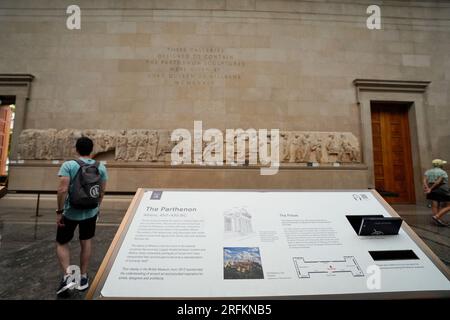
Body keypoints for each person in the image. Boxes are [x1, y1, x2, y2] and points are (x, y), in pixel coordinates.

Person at [55, 137, 108, 295]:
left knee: (62, 243)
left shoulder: (69, 165)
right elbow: (102, 191)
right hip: (90, 212)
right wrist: (97, 207)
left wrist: (60, 211)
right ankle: (83, 278)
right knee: (86, 242)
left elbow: (62, 190)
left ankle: (68, 277)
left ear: (76, 149)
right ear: (91, 150)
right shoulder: (101, 167)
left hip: (70, 212)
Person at [423, 159, 450, 226]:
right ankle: (437, 216)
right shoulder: (443, 172)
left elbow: (424, 180)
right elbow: (438, 182)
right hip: (442, 189)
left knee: (435, 205)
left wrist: (428, 188)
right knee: (449, 205)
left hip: (432, 189)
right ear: (440, 165)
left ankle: (437, 220)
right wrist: (430, 188)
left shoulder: (428, 171)